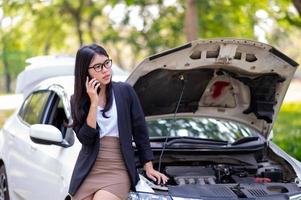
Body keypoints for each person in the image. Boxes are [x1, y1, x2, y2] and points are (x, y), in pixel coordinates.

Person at [68, 44, 168, 200]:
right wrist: (93, 103)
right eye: (98, 67)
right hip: (89, 167)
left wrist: (149, 167)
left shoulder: (125, 91)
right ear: (85, 71)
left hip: (118, 165)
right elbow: (86, 139)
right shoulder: (77, 100)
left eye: (107, 63)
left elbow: (140, 131)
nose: (106, 70)